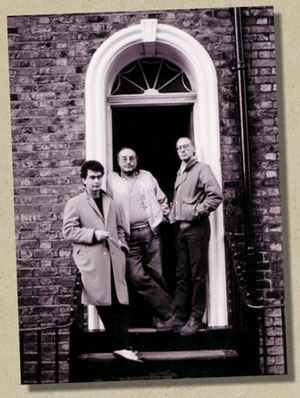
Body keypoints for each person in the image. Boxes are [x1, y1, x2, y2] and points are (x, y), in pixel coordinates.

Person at [62, 160, 143, 362]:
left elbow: (120, 228)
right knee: (103, 303)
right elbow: (69, 231)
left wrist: (122, 246)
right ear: (83, 180)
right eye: (92, 177)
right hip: (93, 262)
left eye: (99, 177)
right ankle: (121, 346)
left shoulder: (110, 202)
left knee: (121, 302)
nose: (96, 181)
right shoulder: (75, 203)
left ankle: (123, 346)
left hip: (115, 260)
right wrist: (94, 234)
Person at [106, 147, 175, 331]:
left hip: (150, 231)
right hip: (127, 237)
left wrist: (164, 217)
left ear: (136, 160)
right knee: (136, 277)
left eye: (131, 158)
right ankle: (171, 312)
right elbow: (106, 207)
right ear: (118, 161)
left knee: (156, 275)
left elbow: (161, 199)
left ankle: (161, 320)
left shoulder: (147, 176)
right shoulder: (111, 181)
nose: (128, 162)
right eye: (124, 159)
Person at [169, 137, 223, 336]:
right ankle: (180, 316)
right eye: (179, 147)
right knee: (182, 275)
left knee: (197, 275)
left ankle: (196, 318)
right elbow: (180, 202)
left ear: (193, 149)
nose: (182, 150)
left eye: (185, 146)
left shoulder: (202, 168)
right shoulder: (181, 171)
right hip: (181, 230)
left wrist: (196, 211)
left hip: (197, 229)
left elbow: (216, 196)